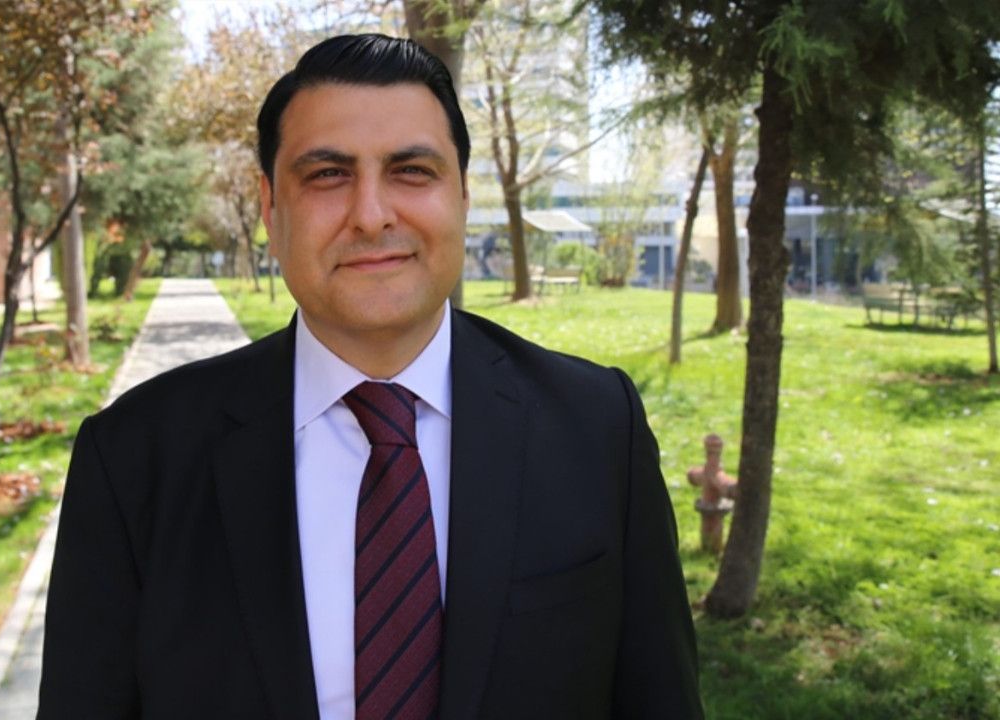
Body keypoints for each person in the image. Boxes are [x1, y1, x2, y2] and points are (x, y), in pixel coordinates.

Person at [38, 33, 702, 719]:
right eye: (329, 175)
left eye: (411, 171)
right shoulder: (134, 457)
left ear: (463, 194)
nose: (372, 215)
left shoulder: (598, 429)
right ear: (270, 208)